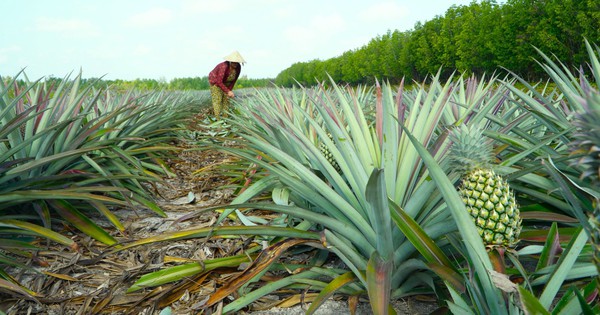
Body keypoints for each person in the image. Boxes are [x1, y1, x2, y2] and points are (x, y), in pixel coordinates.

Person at [208, 50, 246, 119]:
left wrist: (229, 91)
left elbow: (234, 81)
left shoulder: (238, 68)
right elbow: (219, 81)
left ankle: (226, 118)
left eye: (237, 62)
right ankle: (218, 120)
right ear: (230, 61)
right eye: (233, 62)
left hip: (226, 83)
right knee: (218, 100)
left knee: (226, 101)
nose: (235, 64)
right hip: (216, 83)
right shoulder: (224, 66)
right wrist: (228, 91)